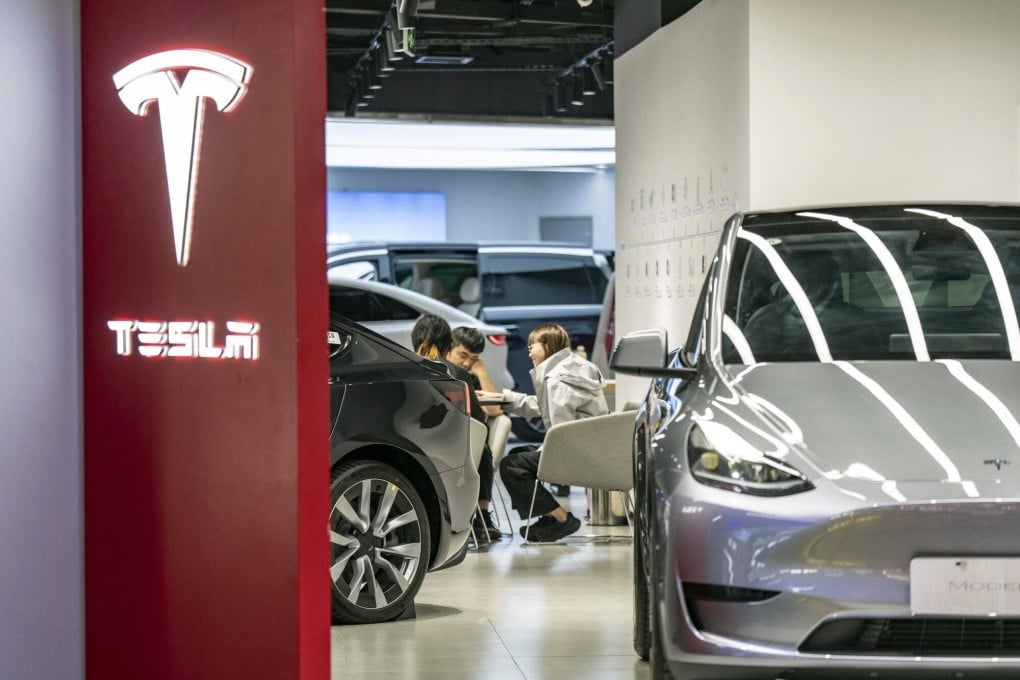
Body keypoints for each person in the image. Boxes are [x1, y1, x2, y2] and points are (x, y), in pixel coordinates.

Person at [479, 323, 608, 543]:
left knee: (511, 466)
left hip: (578, 455)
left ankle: (560, 518)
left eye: (533, 346)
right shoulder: (574, 369)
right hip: (593, 448)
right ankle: (550, 516)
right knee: (520, 453)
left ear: (547, 346)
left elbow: (561, 430)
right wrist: (505, 399)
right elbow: (545, 407)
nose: (529, 351)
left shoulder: (556, 380)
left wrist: (544, 450)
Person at [411, 315, 501, 542]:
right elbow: (478, 418)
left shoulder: (404, 368)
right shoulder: (457, 375)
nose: (468, 362)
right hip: (455, 450)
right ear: (448, 344)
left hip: (416, 446)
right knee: (480, 445)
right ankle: (481, 519)